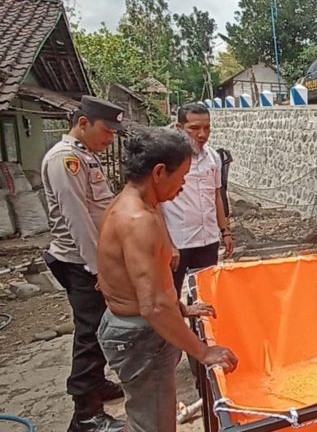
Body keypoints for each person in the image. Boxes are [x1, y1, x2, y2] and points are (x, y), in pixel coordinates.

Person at [96, 127, 238, 432]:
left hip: (132, 326)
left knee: (151, 415)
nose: (184, 185)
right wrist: (203, 352)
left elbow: (136, 281)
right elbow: (153, 306)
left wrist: (182, 309)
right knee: (154, 424)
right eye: (182, 176)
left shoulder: (137, 203)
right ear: (159, 172)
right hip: (139, 335)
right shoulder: (138, 220)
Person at [41, 96, 126, 432]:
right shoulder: (65, 160)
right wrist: (99, 269)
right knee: (90, 335)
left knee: (100, 329)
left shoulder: (85, 155)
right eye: (106, 130)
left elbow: (100, 205)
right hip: (81, 262)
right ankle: (85, 415)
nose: (110, 138)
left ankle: (97, 385)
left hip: (94, 259)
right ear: (83, 123)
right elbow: (77, 220)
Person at [161, 104, 234, 295]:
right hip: (178, 242)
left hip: (208, 240)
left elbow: (217, 195)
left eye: (207, 127)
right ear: (179, 128)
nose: (202, 134)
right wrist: (166, 243)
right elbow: (154, 204)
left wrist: (224, 231)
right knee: (172, 296)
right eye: (194, 128)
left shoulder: (212, 158)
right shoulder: (167, 160)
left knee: (207, 294)